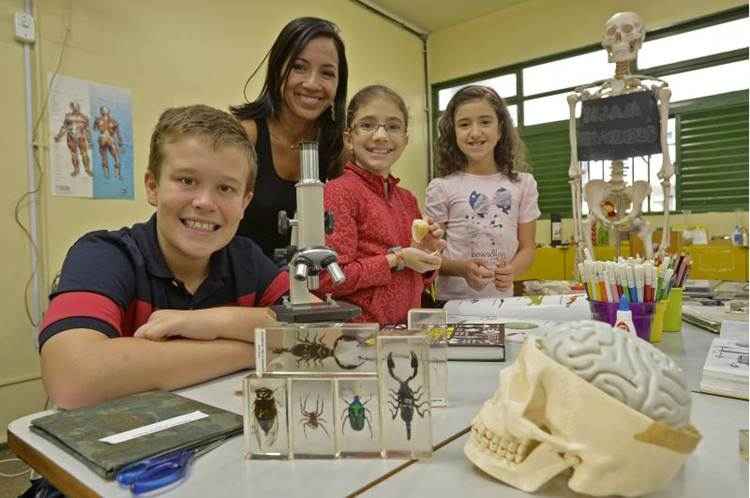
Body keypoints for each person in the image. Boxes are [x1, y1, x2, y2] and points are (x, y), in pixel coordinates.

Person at [39, 105, 289, 410]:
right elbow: (73, 378)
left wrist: (212, 321)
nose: (205, 202)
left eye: (225, 187)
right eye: (186, 181)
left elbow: (330, 334)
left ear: (244, 203)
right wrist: (254, 349)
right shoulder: (104, 255)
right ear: (153, 186)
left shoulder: (246, 258)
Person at [316, 85, 444, 326]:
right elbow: (329, 278)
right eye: (367, 125)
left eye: (393, 126)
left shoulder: (407, 200)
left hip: (404, 335)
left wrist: (428, 256)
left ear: (405, 140)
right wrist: (397, 260)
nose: (381, 136)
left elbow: (419, 281)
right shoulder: (338, 193)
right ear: (349, 139)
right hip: (358, 342)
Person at [230, 17, 348, 263]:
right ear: (277, 70)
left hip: (309, 284)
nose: (312, 83)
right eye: (299, 67)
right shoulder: (244, 137)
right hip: (239, 286)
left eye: (327, 73)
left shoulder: (339, 150)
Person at [424, 85, 540, 301]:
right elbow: (430, 256)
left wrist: (512, 270)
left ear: (500, 128)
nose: (475, 132)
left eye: (485, 122)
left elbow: (528, 248)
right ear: (453, 132)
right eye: (464, 124)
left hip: (502, 303)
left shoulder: (524, 184)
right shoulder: (441, 187)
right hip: (452, 305)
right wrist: (461, 269)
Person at [54, 101, 93, 177]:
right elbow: (64, 127)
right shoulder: (68, 117)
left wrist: (90, 141)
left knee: (84, 154)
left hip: (81, 138)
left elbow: (87, 130)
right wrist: (59, 136)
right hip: (71, 137)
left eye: (77, 106)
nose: (76, 108)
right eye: (74, 106)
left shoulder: (84, 117)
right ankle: (76, 170)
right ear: (72, 107)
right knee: (74, 154)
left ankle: (87, 169)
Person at [94, 105, 124, 179]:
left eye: (105, 110)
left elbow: (118, 132)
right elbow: (94, 129)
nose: (104, 111)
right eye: (103, 110)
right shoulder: (98, 120)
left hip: (110, 139)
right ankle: (107, 176)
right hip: (103, 139)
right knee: (104, 158)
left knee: (116, 157)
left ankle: (117, 175)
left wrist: (120, 141)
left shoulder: (113, 121)